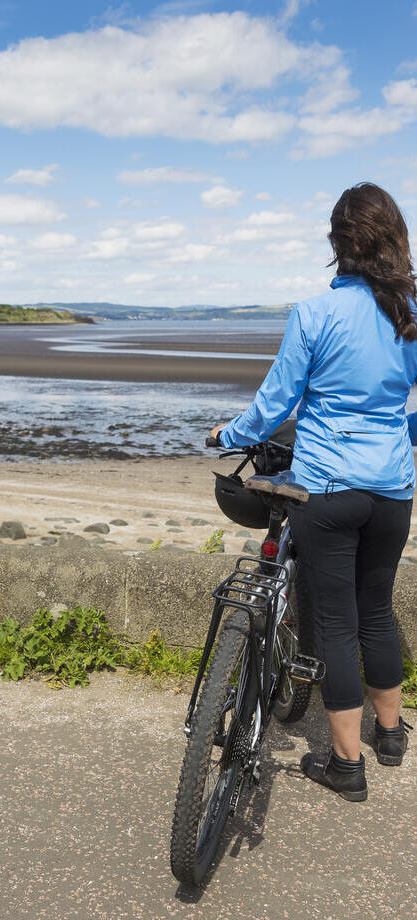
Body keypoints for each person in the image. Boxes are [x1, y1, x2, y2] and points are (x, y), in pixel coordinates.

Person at [211, 182, 414, 802]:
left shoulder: (315, 313)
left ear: (337, 245)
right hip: (393, 488)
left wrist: (229, 433)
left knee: (336, 624)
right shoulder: (410, 312)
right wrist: (399, 436)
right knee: (376, 610)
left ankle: (345, 766)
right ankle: (391, 735)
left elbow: (275, 404)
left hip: (326, 488)